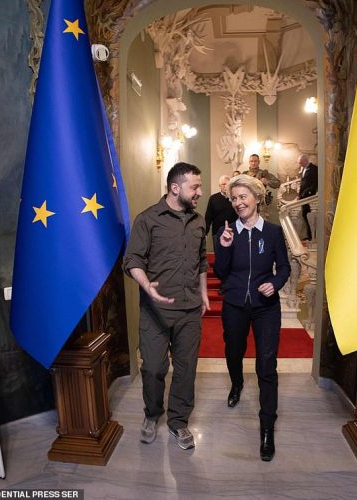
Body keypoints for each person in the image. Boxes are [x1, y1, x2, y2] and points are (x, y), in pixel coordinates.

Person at [123, 162, 210, 450]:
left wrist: (204, 292)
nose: (200, 192)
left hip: (189, 311)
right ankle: (151, 415)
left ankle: (179, 422)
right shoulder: (147, 219)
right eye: (194, 187)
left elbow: (200, 261)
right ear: (175, 188)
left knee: (186, 370)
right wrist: (147, 285)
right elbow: (132, 260)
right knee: (154, 368)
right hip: (155, 312)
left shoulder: (198, 221)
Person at [214, 175, 290, 462]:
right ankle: (236, 383)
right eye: (234, 198)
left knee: (267, 366)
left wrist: (275, 282)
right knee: (233, 351)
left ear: (257, 198)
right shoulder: (227, 231)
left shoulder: (272, 232)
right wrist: (223, 246)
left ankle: (267, 428)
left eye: (243, 196)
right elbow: (221, 272)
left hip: (265, 306)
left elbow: (283, 267)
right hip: (234, 303)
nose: (238, 202)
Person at [205, 174, 237, 248]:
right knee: (219, 257)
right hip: (217, 233)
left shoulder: (235, 198)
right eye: (223, 184)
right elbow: (208, 217)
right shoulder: (213, 198)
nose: (226, 186)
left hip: (234, 232)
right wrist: (205, 233)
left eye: (228, 184)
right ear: (219, 186)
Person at [297, 154, 318, 240]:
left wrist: (307, 192)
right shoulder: (304, 169)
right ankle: (309, 235)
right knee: (305, 215)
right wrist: (299, 195)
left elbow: (315, 183)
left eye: (301, 163)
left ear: (305, 161)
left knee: (309, 216)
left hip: (310, 197)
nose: (300, 165)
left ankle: (311, 236)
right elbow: (303, 183)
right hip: (303, 197)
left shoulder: (314, 169)